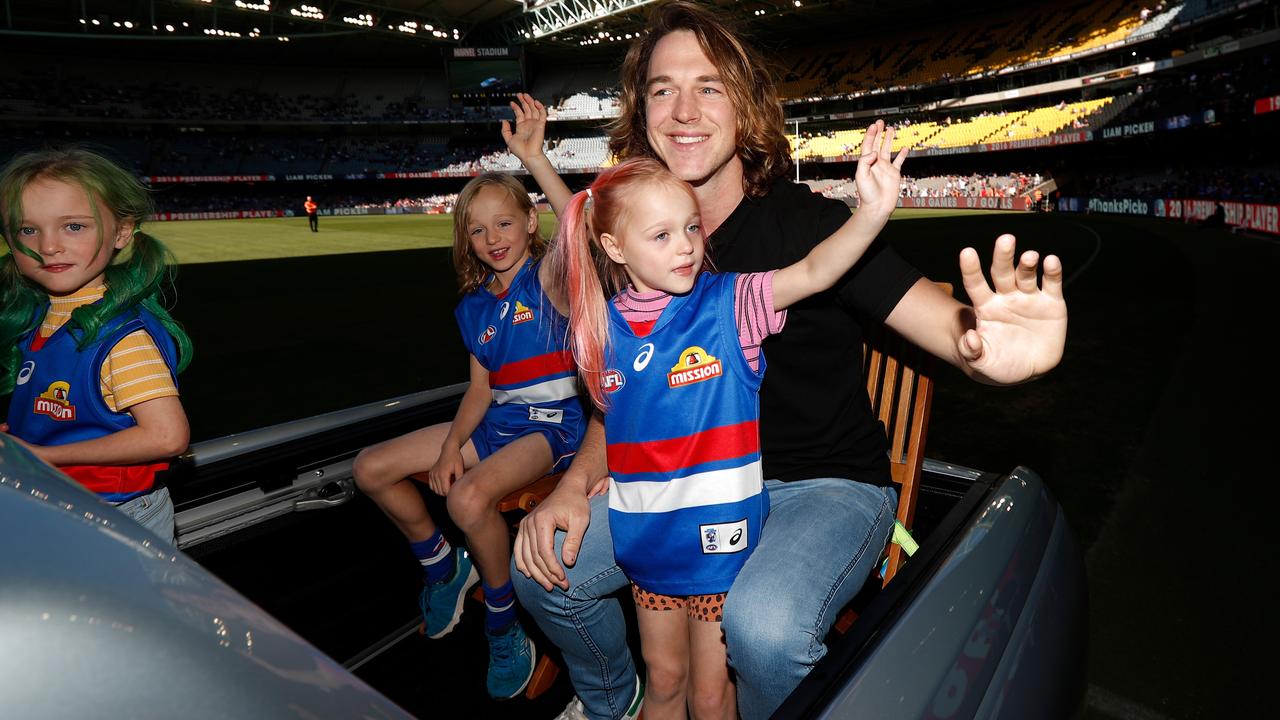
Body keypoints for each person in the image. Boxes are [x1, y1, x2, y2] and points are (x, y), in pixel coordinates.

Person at [506, 3, 1068, 720]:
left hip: (822, 489)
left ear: (744, 105)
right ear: (640, 110)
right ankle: (614, 699)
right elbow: (624, 396)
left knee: (764, 629)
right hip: (679, 485)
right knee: (544, 573)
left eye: (709, 86)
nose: (684, 110)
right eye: (662, 89)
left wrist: (993, 352)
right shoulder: (640, 247)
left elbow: (945, 326)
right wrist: (573, 485)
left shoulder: (808, 226)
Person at [542, 114, 904, 719]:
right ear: (613, 248)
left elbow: (813, 272)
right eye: (660, 236)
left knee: (711, 696)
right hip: (647, 539)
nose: (686, 245)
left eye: (690, 228)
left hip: (722, 541)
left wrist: (869, 214)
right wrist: (606, 472)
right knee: (663, 679)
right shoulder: (598, 331)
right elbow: (623, 419)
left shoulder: (731, 303)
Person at [349, 171, 586, 700]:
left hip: (554, 426)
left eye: (505, 222)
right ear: (466, 241)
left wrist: (533, 156)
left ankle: (503, 624)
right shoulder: (474, 306)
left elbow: (580, 229)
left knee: (467, 497)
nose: (493, 238)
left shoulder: (549, 277)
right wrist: (453, 444)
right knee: (370, 467)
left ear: (531, 222)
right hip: (499, 421)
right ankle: (444, 565)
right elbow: (480, 391)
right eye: (478, 230)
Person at [0, 147, 194, 544]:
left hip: (113, 514)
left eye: (73, 227)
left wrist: (43, 456)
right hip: (62, 502)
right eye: (27, 229)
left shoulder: (122, 340)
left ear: (122, 231)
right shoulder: (42, 317)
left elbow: (167, 437)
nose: (48, 246)